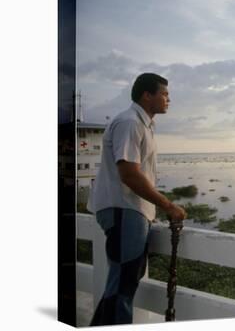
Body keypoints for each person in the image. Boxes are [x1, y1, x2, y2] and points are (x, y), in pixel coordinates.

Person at [87, 73, 187, 326]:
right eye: (164, 94)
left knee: (125, 281)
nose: (168, 99)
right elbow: (129, 175)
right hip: (124, 209)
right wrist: (168, 205)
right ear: (147, 95)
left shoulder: (143, 124)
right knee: (122, 284)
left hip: (131, 211)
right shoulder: (130, 122)